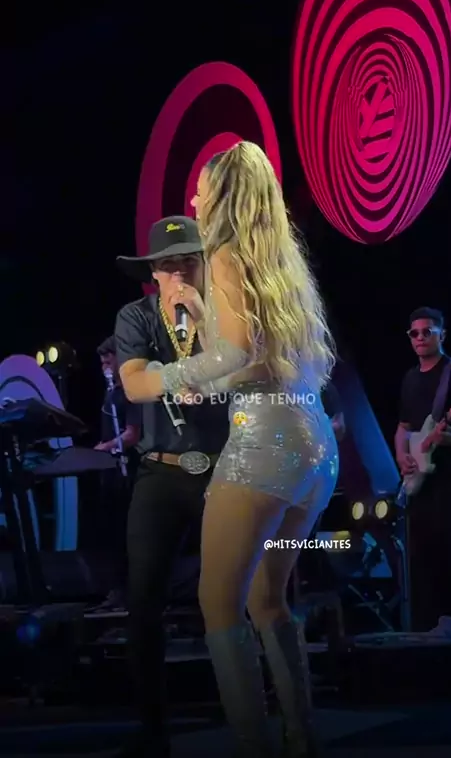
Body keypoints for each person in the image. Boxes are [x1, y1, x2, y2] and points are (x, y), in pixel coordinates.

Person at [118, 141, 339, 758]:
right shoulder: (281, 263)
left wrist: (170, 377)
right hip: (313, 449)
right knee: (267, 600)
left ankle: (254, 746)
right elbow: (265, 363)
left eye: (202, 187)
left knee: (218, 603)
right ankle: (301, 739)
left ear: (225, 195)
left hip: (262, 448)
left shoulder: (224, 255)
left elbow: (237, 351)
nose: (194, 198)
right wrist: (204, 355)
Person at [114, 216, 230, 758]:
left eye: (188, 259)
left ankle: (256, 713)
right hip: (162, 471)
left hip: (224, 469)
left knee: (238, 594)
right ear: (153, 273)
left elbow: (236, 370)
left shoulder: (226, 314)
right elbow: (135, 384)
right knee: (144, 599)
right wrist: (181, 376)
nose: (179, 270)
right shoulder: (136, 316)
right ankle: (152, 729)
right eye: (168, 263)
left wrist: (202, 320)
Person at [395, 307, 451, 634]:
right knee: (424, 550)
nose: (420, 338)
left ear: (442, 335)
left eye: (427, 331)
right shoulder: (409, 378)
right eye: (414, 333)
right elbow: (403, 428)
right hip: (422, 479)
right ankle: (430, 621)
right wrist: (402, 456)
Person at [93, 336, 142, 610]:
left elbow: (132, 434)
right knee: (112, 533)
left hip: (128, 471)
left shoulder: (132, 394)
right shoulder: (110, 394)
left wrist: (105, 447)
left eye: (108, 362)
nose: (104, 368)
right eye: (101, 363)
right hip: (110, 472)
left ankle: (135, 592)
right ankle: (117, 589)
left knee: (129, 533)